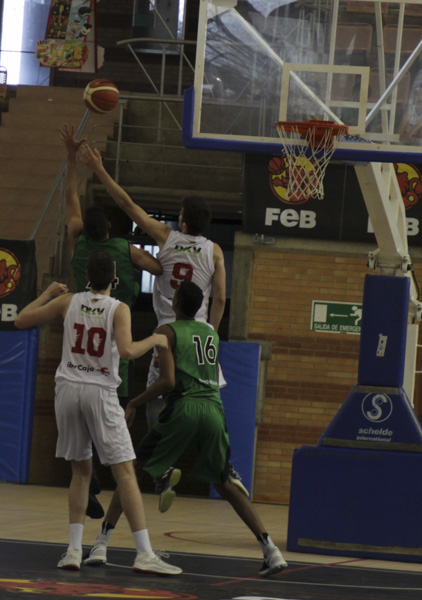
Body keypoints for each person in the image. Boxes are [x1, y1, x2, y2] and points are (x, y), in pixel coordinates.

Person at [83, 282, 288, 577]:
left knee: (131, 469)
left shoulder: (167, 332)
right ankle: (271, 550)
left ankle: (101, 542)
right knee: (225, 480)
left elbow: (167, 381)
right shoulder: (211, 334)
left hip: (186, 406)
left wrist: (136, 403)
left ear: (176, 303)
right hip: (214, 409)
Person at [14, 250, 181, 575]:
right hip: (100, 390)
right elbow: (129, 351)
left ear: (86, 277)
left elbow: (21, 319)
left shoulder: (69, 301)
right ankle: (144, 553)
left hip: (67, 390)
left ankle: (74, 550)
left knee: (80, 472)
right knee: (125, 472)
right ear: (114, 280)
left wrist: (47, 292)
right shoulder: (118, 308)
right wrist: (156, 338)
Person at [79, 144, 227, 429]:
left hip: (167, 334)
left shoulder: (166, 236)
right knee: (209, 399)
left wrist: (99, 170)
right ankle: (219, 459)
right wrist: (212, 332)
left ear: (183, 221)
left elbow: (127, 205)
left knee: (156, 402)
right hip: (199, 336)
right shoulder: (216, 251)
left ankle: (161, 462)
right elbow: (220, 298)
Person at [61, 124, 164, 518]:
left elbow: (70, 196)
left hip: (77, 338)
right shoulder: (128, 249)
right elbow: (158, 266)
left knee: (80, 414)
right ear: (113, 233)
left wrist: (71, 158)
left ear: (88, 233)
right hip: (115, 342)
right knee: (117, 415)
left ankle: (89, 480)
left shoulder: (76, 238)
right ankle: (123, 472)